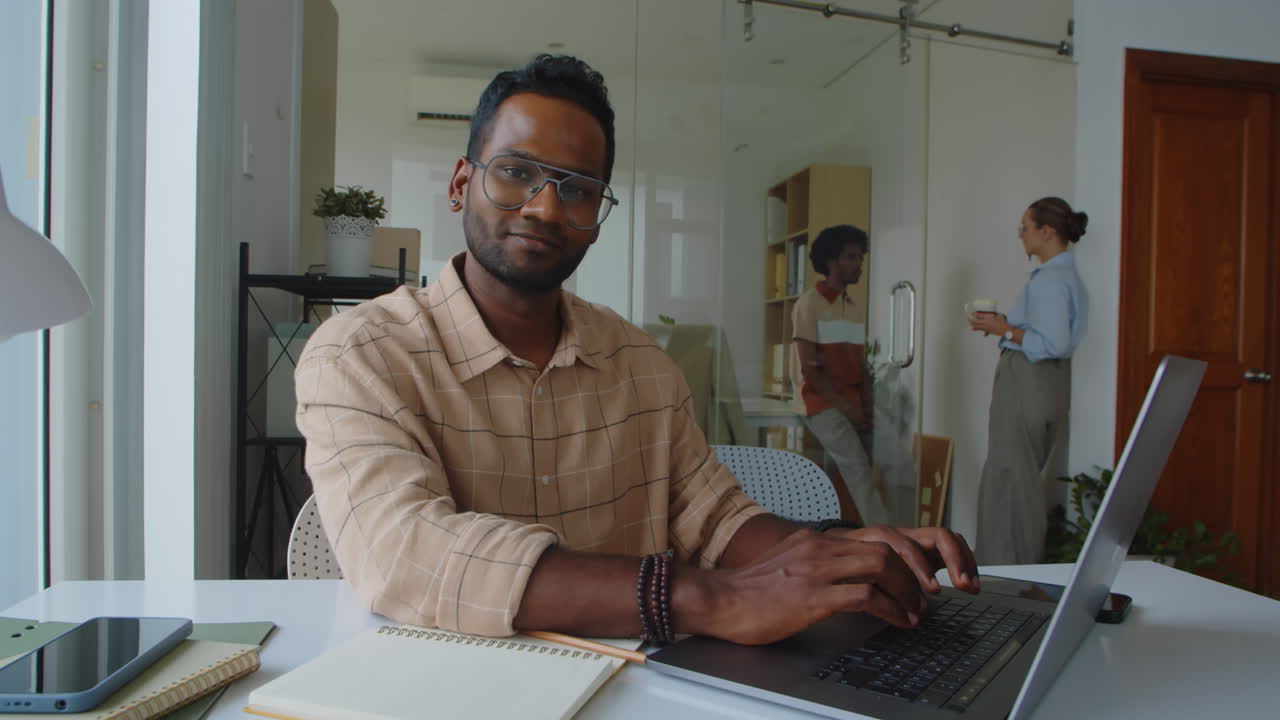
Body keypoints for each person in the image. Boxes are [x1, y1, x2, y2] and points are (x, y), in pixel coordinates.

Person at [295, 54, 978, 647]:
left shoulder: (640, 363)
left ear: (596, 219)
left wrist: (840, 555)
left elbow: (713, 517)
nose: (543, 207)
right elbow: (405, 555)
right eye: (514, 172)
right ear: (459, 184)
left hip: (640, 691)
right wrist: (712, 599)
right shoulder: (360, 355)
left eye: (577, 189)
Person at [968, 197, 1089, 565]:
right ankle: (1010, 576)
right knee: (1017, 481)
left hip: (1028, 384)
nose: (1021, 235)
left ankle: (1005, 582)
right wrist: (1006, 328)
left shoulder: (1050, 281)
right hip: (1041, 386)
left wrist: (1005, 329)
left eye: (1025, 227)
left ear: (1046, 232)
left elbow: (1055, 343)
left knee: (1009, 484)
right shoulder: (1064, 278)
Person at [791, 225, 890, 527]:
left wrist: (867, 407)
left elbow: (860, 367)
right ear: (832, 262)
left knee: (863, 470)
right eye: (851, 257)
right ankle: (892, 541)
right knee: (858, 471)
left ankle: (841, 532)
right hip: (821, 402)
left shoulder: (855, 308)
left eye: (860, 257)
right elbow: (810, 368)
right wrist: (846, 407)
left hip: (852, 403)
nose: (859, 264)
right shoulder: (809, 304)